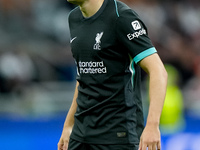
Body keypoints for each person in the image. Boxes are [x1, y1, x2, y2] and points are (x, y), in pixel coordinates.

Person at [58, 0, 168, 150]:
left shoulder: (122, 17)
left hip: (118, 135)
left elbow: (158, 71)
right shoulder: (74, 18)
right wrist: (68, 125)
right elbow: (84, 75)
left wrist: (152, 125)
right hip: (81, 135)